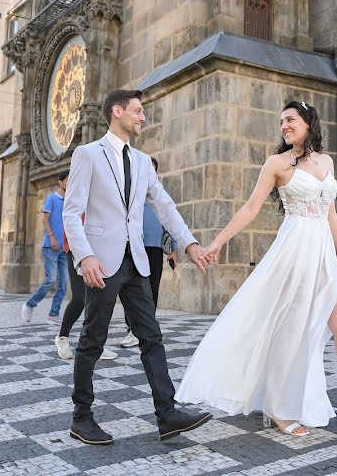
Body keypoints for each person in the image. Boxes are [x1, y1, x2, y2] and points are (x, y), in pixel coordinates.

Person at [176, 101, 337, 438]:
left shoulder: (327, 161)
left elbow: (330, 213)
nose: (284, 126)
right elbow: (250, 208)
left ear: (308, 123)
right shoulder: (277, 163)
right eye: (281, 122)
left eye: (290, 119)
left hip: (323, 254)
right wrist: (217, 243)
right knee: (292, 329)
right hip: (295, 251)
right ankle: (278, 407)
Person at [63, 89, 212, 445]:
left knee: (151, 337)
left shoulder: (144, 162)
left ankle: (167, 414)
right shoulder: (88, 155)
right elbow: (71, 212)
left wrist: (189, 243)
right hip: (102, 262)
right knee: (92, 341)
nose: (143, 117)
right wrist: (85, 256)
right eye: (138, 111)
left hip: (137, 263)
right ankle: (81, 418)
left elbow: (165, 206)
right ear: (118, 111)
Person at [119, 157, 178, 349]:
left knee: (152, 289)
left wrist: (173, 249)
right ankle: (132, 329)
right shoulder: (132, 192)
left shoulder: (159, 194)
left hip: (155, 248)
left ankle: (146, 328)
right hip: (134, 247)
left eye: (152, 169)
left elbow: (170, 220)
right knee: (132, 289)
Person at [54, 224, 118, 362]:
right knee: (79, 298)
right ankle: (62, 337)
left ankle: (95, 345)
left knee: (99, 297)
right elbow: (70, 217)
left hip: (98, 249)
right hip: (76, 249)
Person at [21, 171, 70, 324]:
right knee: (50, 280)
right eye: (68, 180)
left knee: (63, 283)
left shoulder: (70, 201)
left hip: (65, 248)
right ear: (60, 182)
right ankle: (29, 304)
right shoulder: (52, 198)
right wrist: (52, 237)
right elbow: (45, 220)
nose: (70, 183)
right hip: (50, 246)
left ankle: (53, 315)